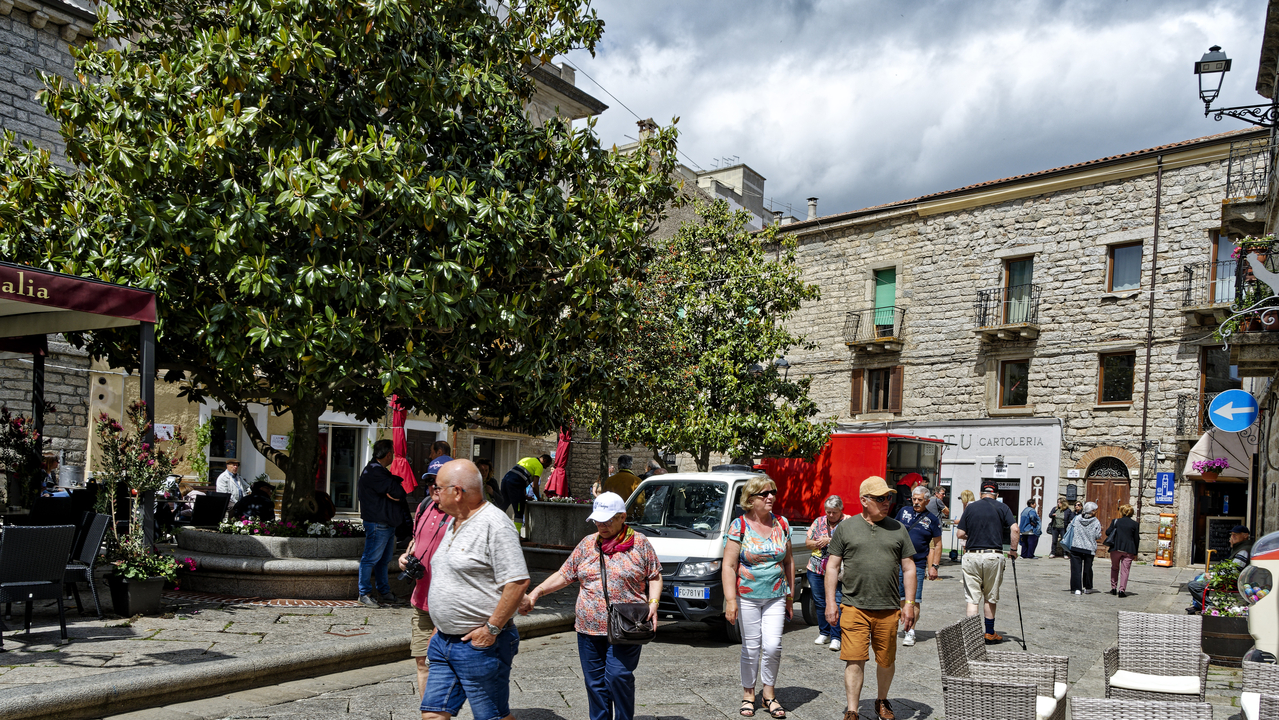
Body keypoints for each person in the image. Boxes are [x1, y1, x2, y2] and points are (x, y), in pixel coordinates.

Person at [519, 493, 662, 720]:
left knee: (618, 676)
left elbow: (654, 575)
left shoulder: (640, 543)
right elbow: (565, 574)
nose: (601, 526)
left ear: (622, 517)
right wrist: (536, 592)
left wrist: (653, 602)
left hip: (627, 625)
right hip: (588, 626)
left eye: (607, 520)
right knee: (595, 683)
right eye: (597, 521)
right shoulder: (587, 544)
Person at [422, 459, 529, 720]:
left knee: (493, 717)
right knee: (433, 714)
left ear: (457, 492)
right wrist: (440, 625)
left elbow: (517, 582)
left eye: (438, 488)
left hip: (480, 644)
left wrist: (491, 629)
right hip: (444, 641)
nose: (434, 493)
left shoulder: (495, 524)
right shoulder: (454, 521)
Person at [825, 476, 916, 720]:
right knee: (854, 659)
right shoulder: (846, 528)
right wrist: (831, 602)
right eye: (880, 498)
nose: (887, 502)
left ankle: (882, 700)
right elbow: (832, 566)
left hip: (888, 608)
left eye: (888, 497)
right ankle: (852, 710)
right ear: (864, 501)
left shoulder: (898, 528)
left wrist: (909, 604)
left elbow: (909, 568)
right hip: (854, 606)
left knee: (886, 660)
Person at [722, 476, 794, 719]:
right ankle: (749, 694)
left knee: (773, 646)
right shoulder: (739, 525)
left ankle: (769, 694)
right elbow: (729, 565)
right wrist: (731, 600)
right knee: (751, 648)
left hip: (776, 594)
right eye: (765, 493)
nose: (771, 497)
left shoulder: (782, 523)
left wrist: (790, 596)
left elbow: (788, 562)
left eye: (773, 492)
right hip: (747, 595)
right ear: (750, 499)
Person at [399, 476, 451, 697]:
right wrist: (406, 556)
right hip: (422, 601)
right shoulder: (424, 505)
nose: (434, 488)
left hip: (451, 605)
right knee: (422, 662)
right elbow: (415, 540)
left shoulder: (465, 514)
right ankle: (429, 711)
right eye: (430, 484)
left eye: (439, 484)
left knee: (452, 665)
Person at [955, 482, 1018, 644]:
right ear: (997, 494)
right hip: (993, 556)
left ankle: (972, 635)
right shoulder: (1003, 507)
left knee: (972, 598)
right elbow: (1015, 529)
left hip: (972, 556)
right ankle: (989, 633)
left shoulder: (970, 508)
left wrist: (973, 535)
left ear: (980, 493)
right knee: (990, 597)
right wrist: (1013, 550)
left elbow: (960, 533)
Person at [357, 438, 407, 608]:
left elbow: (397, 493)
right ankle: (364, 593)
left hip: (385, 522)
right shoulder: (375, 472)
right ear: (388, 454)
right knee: (370, 558)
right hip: (378, 523)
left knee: (383, 560)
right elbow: (399, 492)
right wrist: (395, 489)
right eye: (393, 452)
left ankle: (384, 592)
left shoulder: (377, 471)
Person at [893, 485, 941, 648]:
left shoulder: (932, 519)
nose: (916, 502)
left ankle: (911, 631)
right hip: (899, 562)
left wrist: (934, 566)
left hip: (918, 564)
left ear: (927, 501)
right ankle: (906, 622)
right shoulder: (903, 512)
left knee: (914, 599)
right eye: (914, 499)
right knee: (901, 597)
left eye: (919, 500)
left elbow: (938, 544)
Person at [806, 495, 850, 650]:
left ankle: (836, 636)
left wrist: (830, 540)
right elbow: (808, 542)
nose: (831, 515)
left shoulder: (848, 522)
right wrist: (818, 542)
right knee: (820, 602)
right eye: (828, 512)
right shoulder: (818, 521)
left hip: (838, 571)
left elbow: (851, 542)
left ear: (841, 510)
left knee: (836, 602)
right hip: (816, 568)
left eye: (834, 512)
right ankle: (824, 632)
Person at [1187, 525, 1253, 613]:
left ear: (1245, 535)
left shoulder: (1244, 550)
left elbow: (1234, 570)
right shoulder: (1240, 547)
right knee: (1198, 578)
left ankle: (1210, 608)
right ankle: (1198, 606)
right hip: (1228, 577)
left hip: (1230, 581)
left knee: (1193, 585)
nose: (1232, 537)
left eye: (1235, 535)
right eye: (1232, 534)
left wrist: (1213, 575)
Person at [1065, 501, 1102, 595]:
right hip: (1089, 548)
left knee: (1075, 569)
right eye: (1095, 510)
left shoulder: (1076, 518)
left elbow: (1069, 528)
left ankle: (1076, 588)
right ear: (1092, 511)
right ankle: (1088, 587)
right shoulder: (1096, 521)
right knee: (1087, 569)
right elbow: (1097, 536)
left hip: (1076, 546)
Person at [499, 457, 544, 531]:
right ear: (544, 461)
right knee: (519, 511)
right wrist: (539, 498)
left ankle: (497, 528)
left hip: (505, 481)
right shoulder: (539, 466)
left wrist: (525, 496)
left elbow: (521, 480)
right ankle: (517, 533)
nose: (546, 467)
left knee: (503, 505)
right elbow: (534, 485)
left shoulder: (526, 459)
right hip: (515, 484)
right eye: (547, 465)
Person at [1105, 504, 1141, 598]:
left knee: (1114, 568)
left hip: (1116, 548)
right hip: (1129, 549)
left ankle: (1113, 588)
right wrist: (1135, 552)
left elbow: (1107, 532)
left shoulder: (1116, 521)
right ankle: (1122, 590)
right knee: (1125, 570)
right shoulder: (1135, 524)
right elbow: (1136, 539)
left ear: (1122, 512)